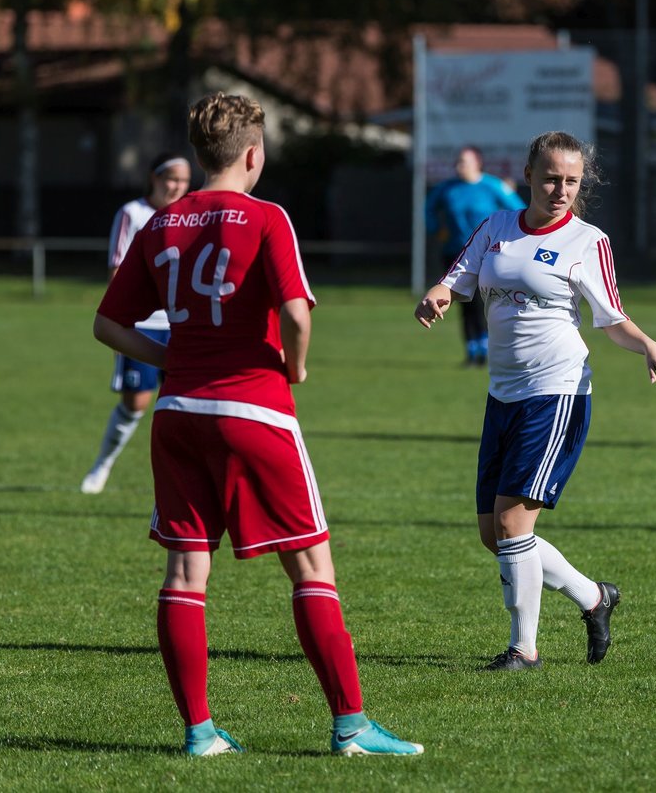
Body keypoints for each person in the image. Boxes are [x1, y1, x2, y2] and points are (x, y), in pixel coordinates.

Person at [94, 92, 422, 757]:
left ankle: (199, 733)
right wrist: (295, 367)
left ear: (198, 155)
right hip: (253, 408)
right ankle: (351, 727)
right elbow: (298, 316)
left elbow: (107, 324)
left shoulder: (159, 225)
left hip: (179, 411)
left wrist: (173, 358)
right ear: (253, 154)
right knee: (310, 566)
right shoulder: (267, 216)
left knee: (186, 575)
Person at [414, 130, 656, 671]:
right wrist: (439, 293)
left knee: (515, 527)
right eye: (552, 178)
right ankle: (593, 597)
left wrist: (648, 346)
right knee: (495, 534)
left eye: (572, 181)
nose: (561, 189)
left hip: (556, 393)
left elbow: (612, 318)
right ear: (529, 176)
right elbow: (458, 278)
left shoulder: (588, 240)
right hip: (502, 394)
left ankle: (524, 650)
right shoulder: (495, 227)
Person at [80, 152, 191, 494]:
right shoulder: (133, 213)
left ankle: (183, 481)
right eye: (170, 178)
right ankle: (103, 463)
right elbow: (118, 269)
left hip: (183, 325)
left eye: (183, 180)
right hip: (141, 325)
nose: (176, 186)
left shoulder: (190, 216)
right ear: (154, 178)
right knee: (137, 402)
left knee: (184, 403)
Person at [424, 146, 525, 365]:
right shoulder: (447, 188)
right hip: (454, 252)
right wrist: (436, 229)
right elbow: (428, 209)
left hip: (486, 255)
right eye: (458, 162)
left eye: (465, 162)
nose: (460, 166)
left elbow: (519, 210)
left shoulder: (493, 186)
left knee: (482, 303)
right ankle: (472, 350)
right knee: (462, 303)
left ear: (478, 163)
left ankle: (487, 348)